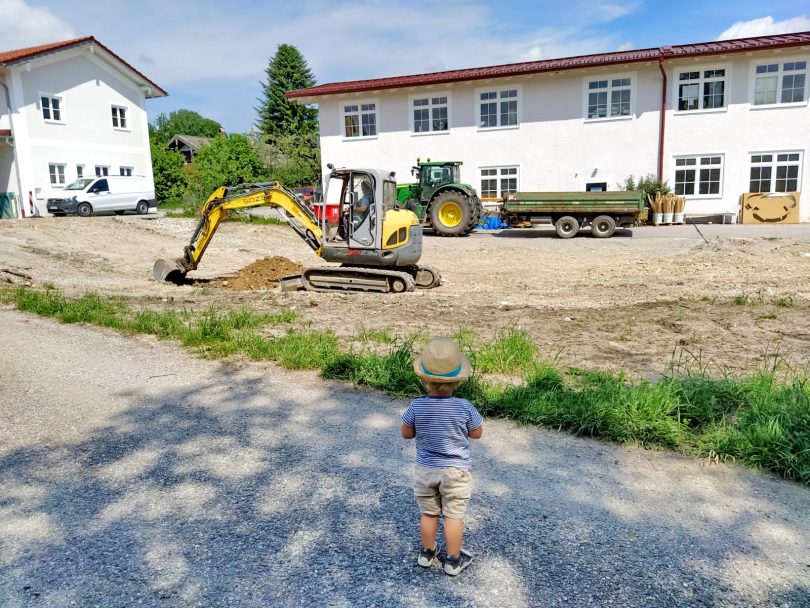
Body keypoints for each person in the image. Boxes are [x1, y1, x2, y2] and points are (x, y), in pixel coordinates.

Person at [400, 337, 484, 576]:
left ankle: (427, 553)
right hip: (456, 472)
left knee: (429, 513)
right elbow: (477, 433)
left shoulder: (417, 406)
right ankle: (453, 561)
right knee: (453, 516)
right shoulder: (464, 407)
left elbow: (406, 434)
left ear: (424, 380)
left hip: (426, 471)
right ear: (458, 381)